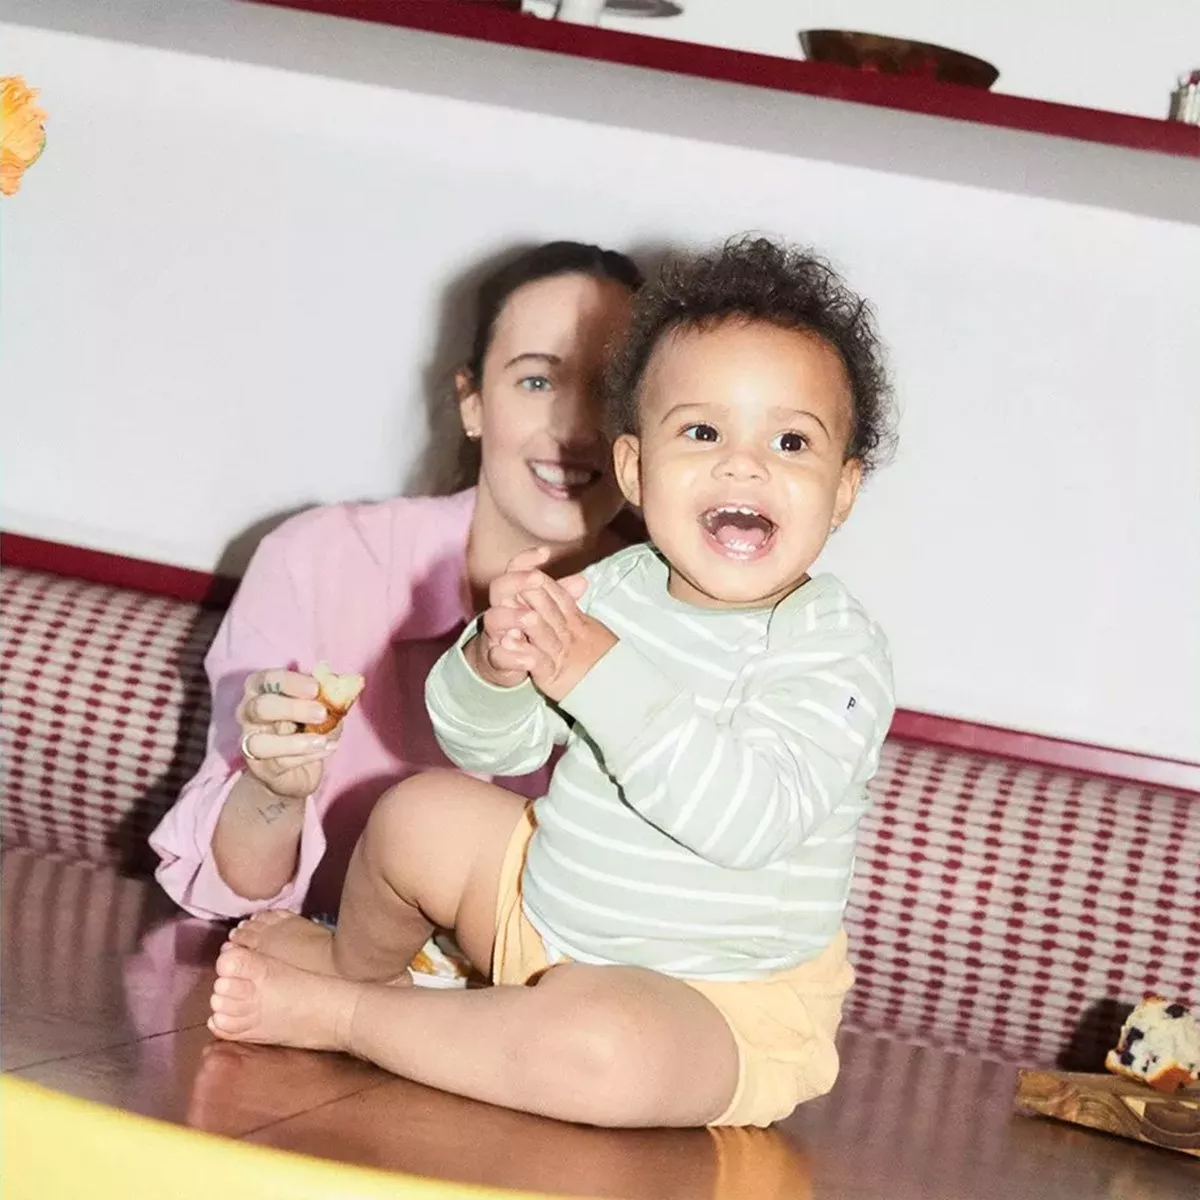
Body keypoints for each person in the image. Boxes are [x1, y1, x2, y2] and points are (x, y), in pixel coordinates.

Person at [206, 237, 898, 1130]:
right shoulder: (609, 588)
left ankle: (352, 1017)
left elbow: (750, 819)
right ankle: (356, 965)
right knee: (422, 809)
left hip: (716, 1004)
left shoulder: (834, 650)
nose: (744, 464)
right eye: (701, 431)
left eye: (791, 440)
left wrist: (593, 670)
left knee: (601, 1052)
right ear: (636, 472)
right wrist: (491, 669)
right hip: (538, 914)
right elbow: (488, 745)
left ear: (843, 492)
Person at [150, 241, 644, 921]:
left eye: (612, 389)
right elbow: (232, 893)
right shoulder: (317, 560)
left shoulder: (685, 626)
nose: (575, 427)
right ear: (472, 403)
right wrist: (274, 788)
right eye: (537, 381)